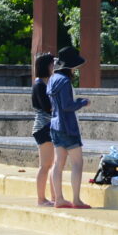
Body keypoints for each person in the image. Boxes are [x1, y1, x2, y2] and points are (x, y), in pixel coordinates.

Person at [47, 46, 92, 209]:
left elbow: (58, 104)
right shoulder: (65, 81)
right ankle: (76, 200)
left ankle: (58, 198)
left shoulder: (53, 79)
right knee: (77, 163)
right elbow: (67, 105)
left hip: (55, 125)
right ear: (70, 66)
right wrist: (82, 102)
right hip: (68, 126)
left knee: (58, 163)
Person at [31, 52, 56, 207]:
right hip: (43, 127)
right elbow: (47, 108)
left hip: (46, 127)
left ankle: (54, 197)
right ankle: (41, 199)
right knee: (46, 165)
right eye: (52, 64)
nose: (54, 67)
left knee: (52, 164)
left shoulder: (45, 83)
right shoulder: (40, 84)